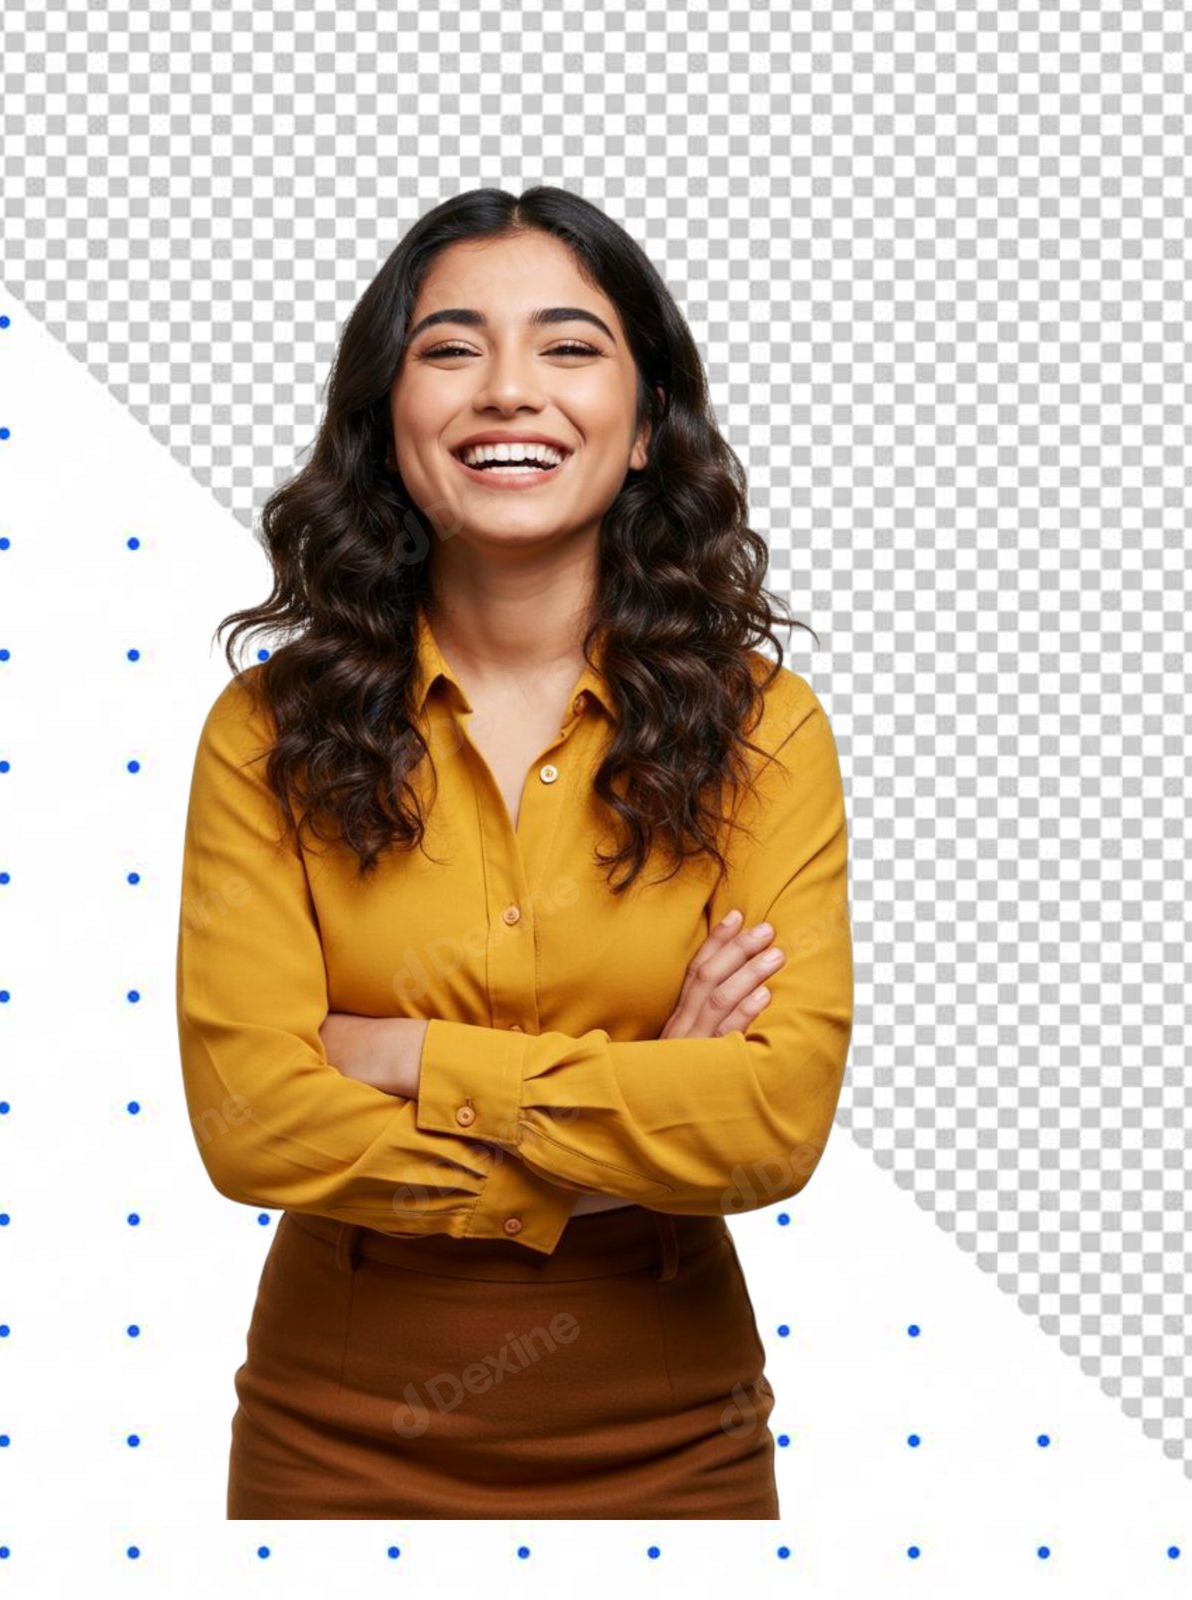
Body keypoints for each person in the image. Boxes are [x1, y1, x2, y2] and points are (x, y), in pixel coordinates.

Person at [175, 185, 854, 1519]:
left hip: (679, 1447)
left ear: (646, 425)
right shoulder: (265, 733)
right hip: (334, 1448)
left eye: (569, 346)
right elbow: (252, 1126)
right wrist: (642, 1100)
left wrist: (404, 1056)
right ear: (386, 419)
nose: (507, 389)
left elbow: (772, 1122)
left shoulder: (765, 728)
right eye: (450, 348)